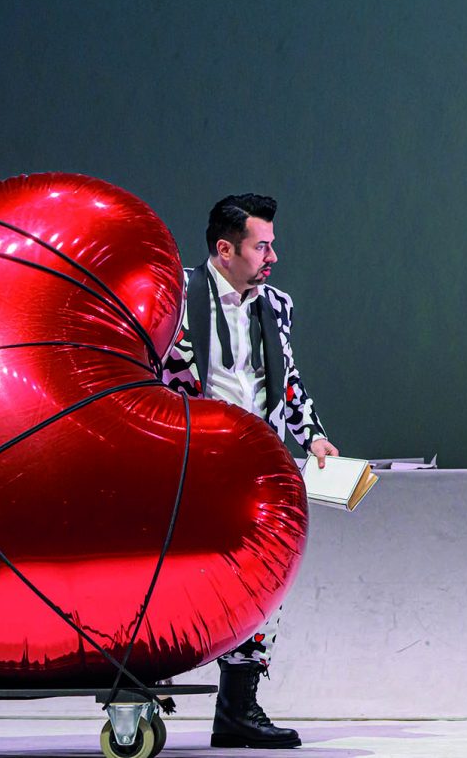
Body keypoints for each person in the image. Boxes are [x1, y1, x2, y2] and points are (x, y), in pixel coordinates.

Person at [162, 193, 339, 749]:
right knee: (183, 579)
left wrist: (314, 436)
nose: (273, 257)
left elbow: (287, 381)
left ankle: (238, 707)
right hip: (191, 465)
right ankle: (143, 684)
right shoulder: (175, 297)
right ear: (225, 250)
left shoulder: (276, 305)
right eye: (262, 247)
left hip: (259, 468)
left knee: (262, 581)